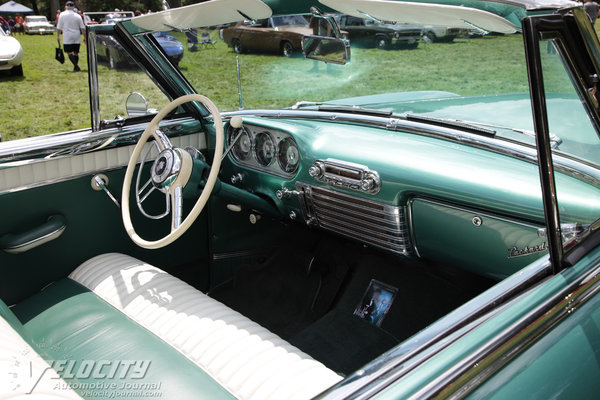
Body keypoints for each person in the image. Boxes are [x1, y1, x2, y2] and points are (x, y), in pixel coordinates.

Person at [57, 1, 86, 71]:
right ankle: (75, 67)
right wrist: (84, 37)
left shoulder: (62, 15)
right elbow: (82, 28)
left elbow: (59, 27)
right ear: (73, 7)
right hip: (76, 35)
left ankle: (76, 66)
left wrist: (58, 35)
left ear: (66, 7)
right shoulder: (78, 16)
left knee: (69, 52)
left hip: (67, 35)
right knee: (76, 52)